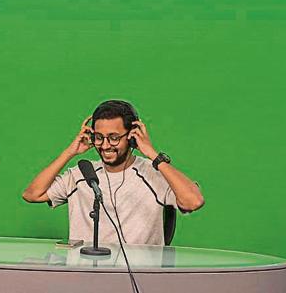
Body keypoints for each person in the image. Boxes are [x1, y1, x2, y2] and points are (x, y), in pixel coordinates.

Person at [22, 100, 204, 245]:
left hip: (139, 280)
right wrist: (69, 152)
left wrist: (152, 154)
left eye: (114, 138)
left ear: (132, 137)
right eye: (99, 137)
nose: (106, 145)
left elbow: (193, 201)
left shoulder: (152, 173)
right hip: (86, 277)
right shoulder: (83, 173)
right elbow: (32, 194)